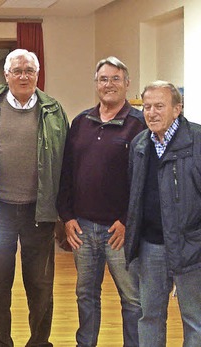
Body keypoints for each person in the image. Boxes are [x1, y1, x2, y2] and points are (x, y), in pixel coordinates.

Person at [0, 48, 69, 347]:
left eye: (29, 71)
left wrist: (62, 214)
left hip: (38, 211)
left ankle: (40, 341)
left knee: (40, 283)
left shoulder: (53, 110)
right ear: (7, 75)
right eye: (18, 71)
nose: (23, 76)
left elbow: (65, 161)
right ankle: (1, 340)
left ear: (38, 75)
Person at [57, 56, 144, 347]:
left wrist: (127, 221)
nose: (109, 85)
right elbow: (66, 171)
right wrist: (67, 217)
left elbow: (143, 182)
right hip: (82, 227)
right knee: (86, 295)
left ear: (127, 83)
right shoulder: (81, 121)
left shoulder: (139, 125)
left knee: (132, 298)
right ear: (96, 84)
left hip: (119, 231)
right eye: (103, 79)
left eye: (115, 79)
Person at [125, 81, 201, 347]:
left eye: (159, 106)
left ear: (177, 109)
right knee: (150, 316)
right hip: (151, 248)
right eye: (147, 107)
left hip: (192, 247)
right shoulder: (139, 144)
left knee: (195, 320)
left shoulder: (197, 141)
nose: (151, 113)